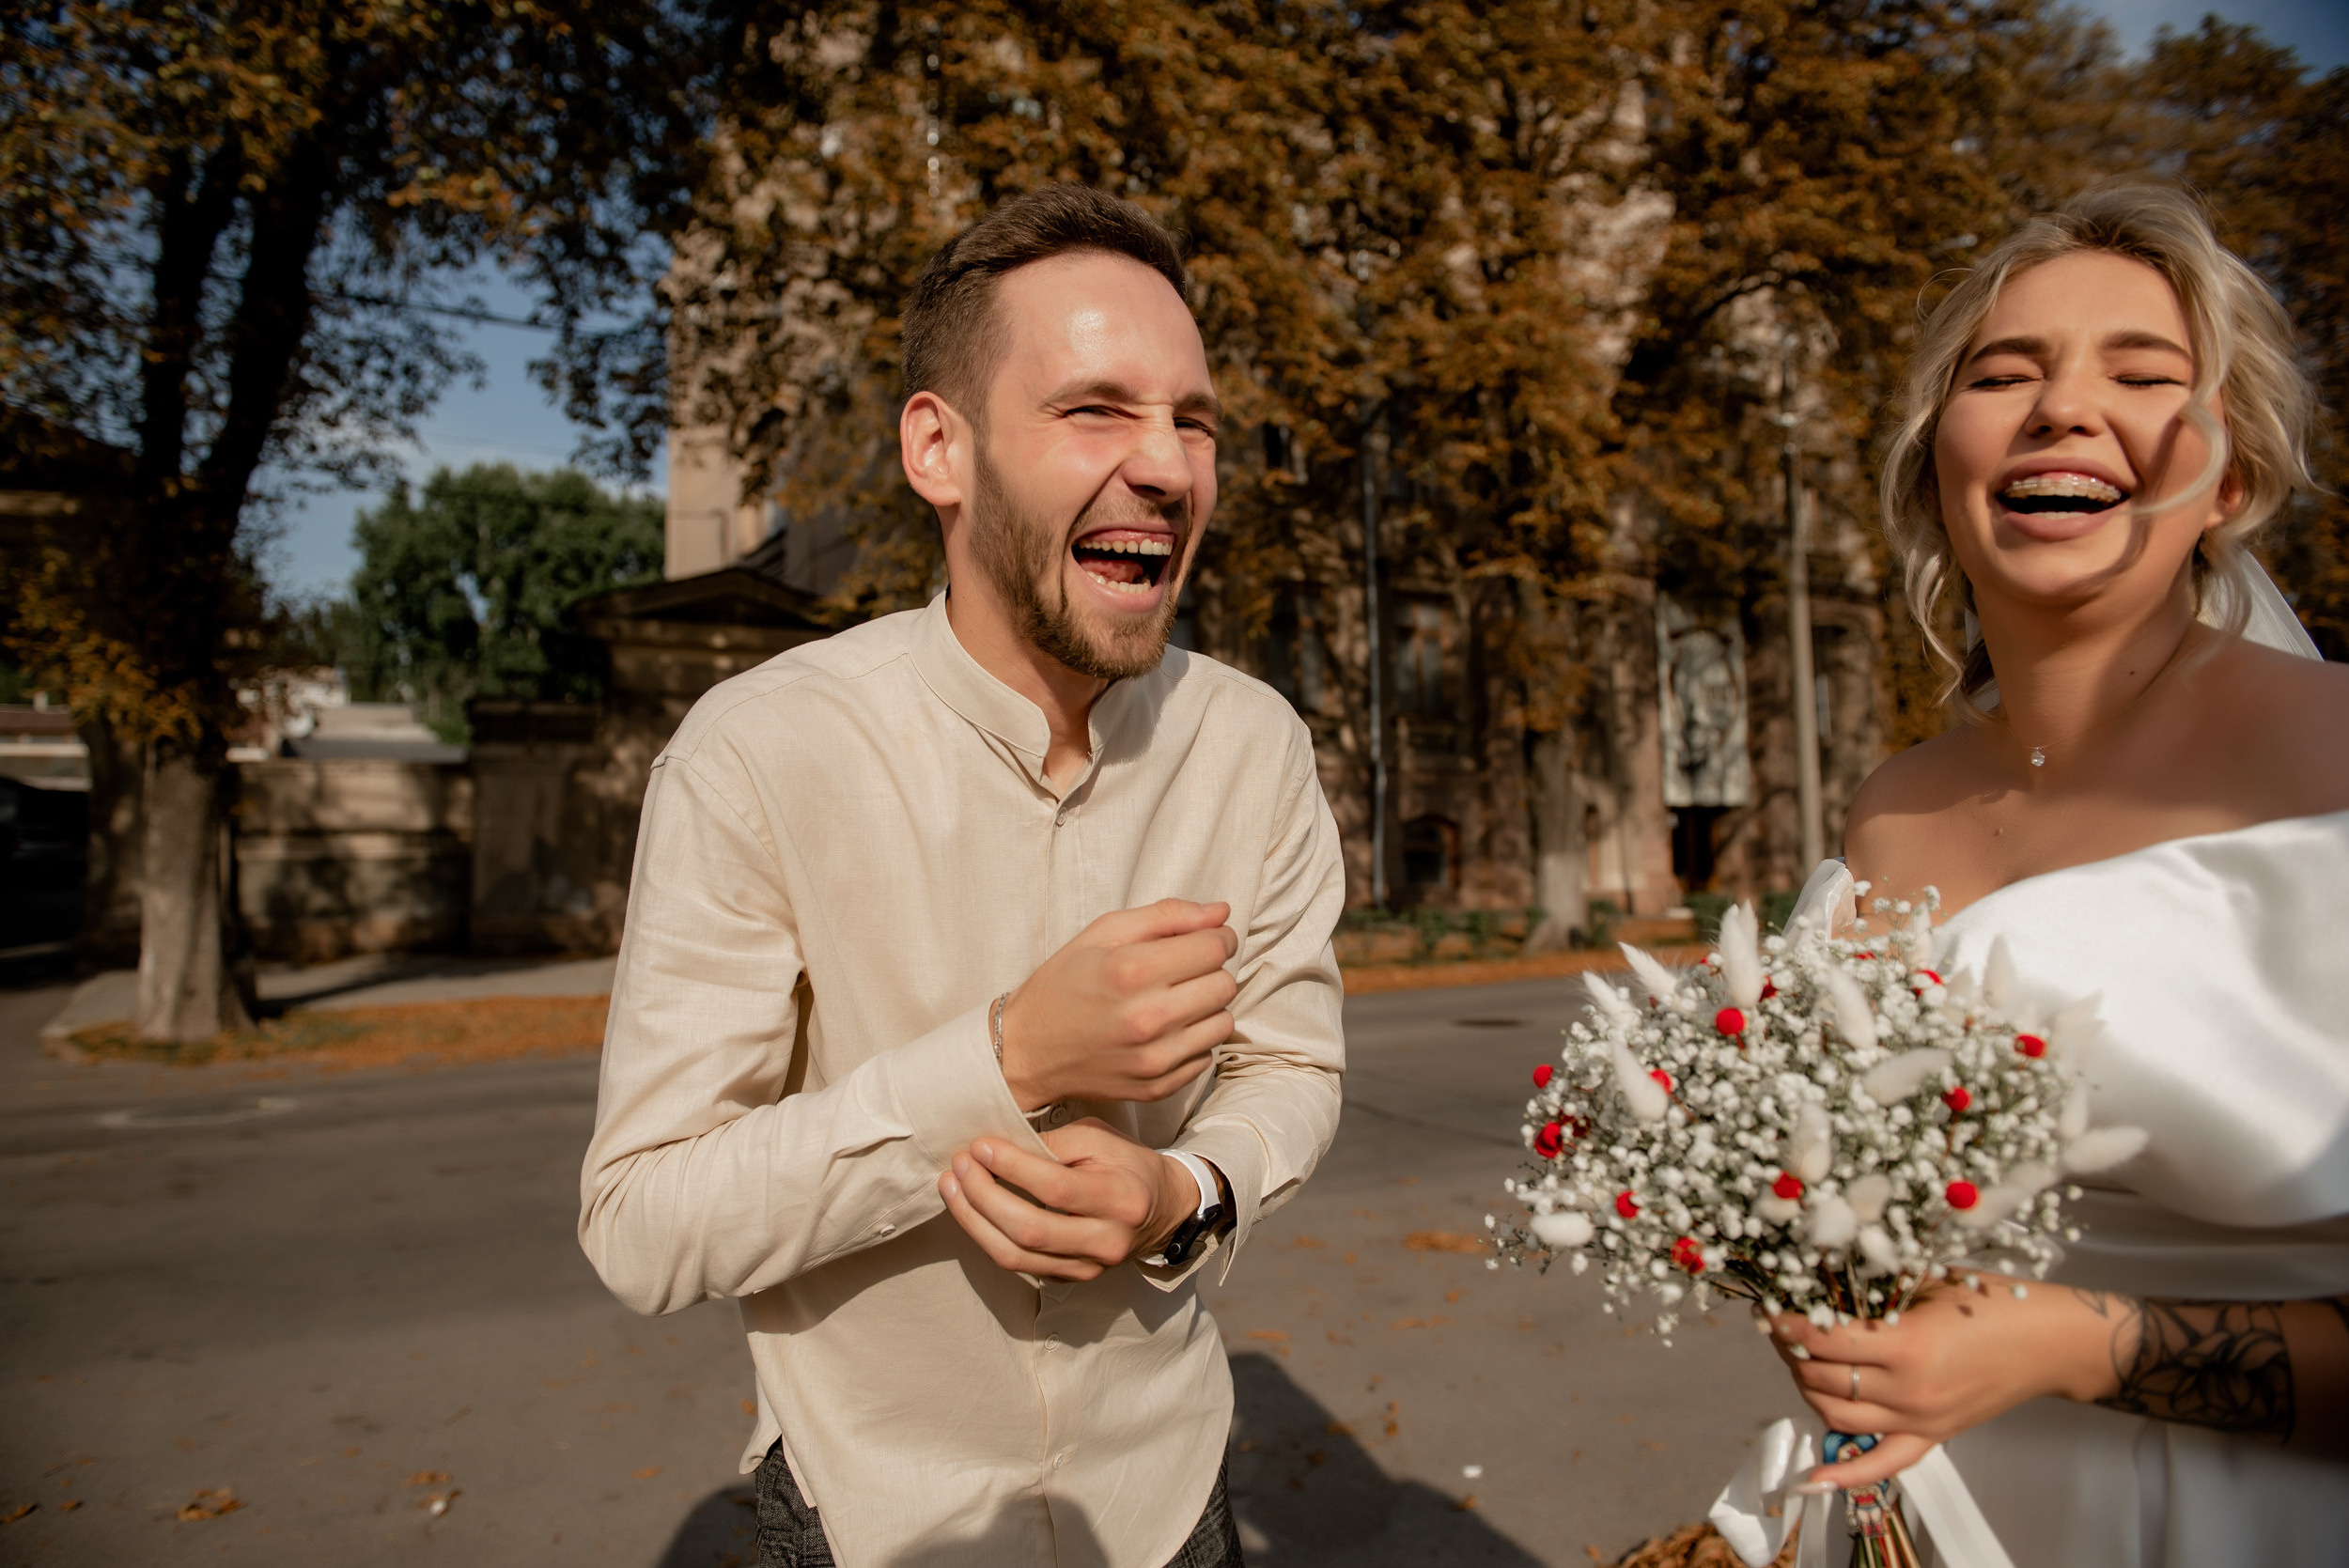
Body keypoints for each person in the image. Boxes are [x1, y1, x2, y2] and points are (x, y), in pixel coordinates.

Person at [579, 184, 1346, 1568]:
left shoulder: (1256, 745)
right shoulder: (756, 753)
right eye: (1097, 409)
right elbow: (642, 1219)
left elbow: (1292, 1067)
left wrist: (1189, 1195)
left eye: (1194, 417)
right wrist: (998, 1059)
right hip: (868, 1520)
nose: (1168, 465)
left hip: (1179, 1506)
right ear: (940, 448)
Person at [1759, 184, 2349, 1566]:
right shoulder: (1892, 809)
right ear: (1939, 468)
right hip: (1923, 1519)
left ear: (2234, 480)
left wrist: (2067, 1344)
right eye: (2003, 373)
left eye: (2142, 373)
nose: (2062, 408)